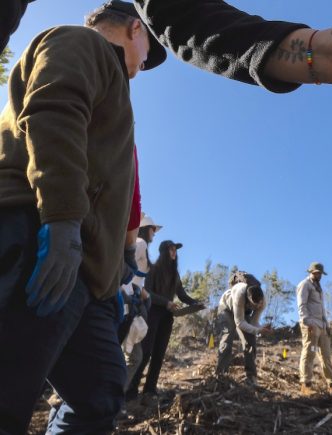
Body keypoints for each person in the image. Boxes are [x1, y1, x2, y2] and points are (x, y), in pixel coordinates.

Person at [0, 1, 166, 432]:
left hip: (89, 275)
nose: (145, 64)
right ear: (135, 29)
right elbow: (53, 111)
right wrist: (63, 221)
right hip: (39, 236)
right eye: (150, 47)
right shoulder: (81, 42)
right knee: (8, 393)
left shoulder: (119, 101)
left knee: (101, 396)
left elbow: (121, 192)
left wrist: (122, 259)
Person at [2, 1, 332, 92]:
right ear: (137, 29)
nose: (137, 70)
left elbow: (185, 18)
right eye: (146, 56)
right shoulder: (70, 50)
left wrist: (320, 54)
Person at [127, 240, 201, 403]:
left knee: (159, 354)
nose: (174, 252)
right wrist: (166, 302)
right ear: (164, 251)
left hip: (167, 317)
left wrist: (196, 303)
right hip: (153, 313)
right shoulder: (153, 270)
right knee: (146, 352)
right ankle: (131, 389)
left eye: (175, 250)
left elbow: (182, 295)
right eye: (171, 249)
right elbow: (148, 293)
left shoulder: (175, 275)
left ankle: (150, 389)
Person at [120, 213, 162, 400]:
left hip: (130, 301)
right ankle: (111, 399)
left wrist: (141, 291)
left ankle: (111, 400)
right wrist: (131, 292)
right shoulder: (140, 243)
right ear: (147, 229)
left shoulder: (141, 246)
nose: (155, 233)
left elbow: (134, 277)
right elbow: (124, 269)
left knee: (131, 356)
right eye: (153, 229)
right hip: (126, 303)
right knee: (133, 357)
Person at [215, 271, 272, 385]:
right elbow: (239, 322)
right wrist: (258, 329)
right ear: (248, 298)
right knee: (227, 338)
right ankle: (221, 375)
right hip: (226, 308)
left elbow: (254, 322)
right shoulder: (239, 293)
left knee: (250, 341)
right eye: (255, 305)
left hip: (242, 313)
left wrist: (261, 328)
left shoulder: (263, 301)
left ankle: (251, 377)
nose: (258, 307)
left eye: (259, 305)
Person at [296, 262, 332, 394]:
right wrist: (306, 322)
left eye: (320, 273)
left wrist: (327, 325)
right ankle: (306, 383)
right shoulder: (304, 285)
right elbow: (301, 305)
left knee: (326, 354)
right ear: (311, 272)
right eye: (316, 273)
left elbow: (322, 309)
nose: (319, 275)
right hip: (311, 324)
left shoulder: (319, 288)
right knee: (309, 352)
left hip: (321, 325)